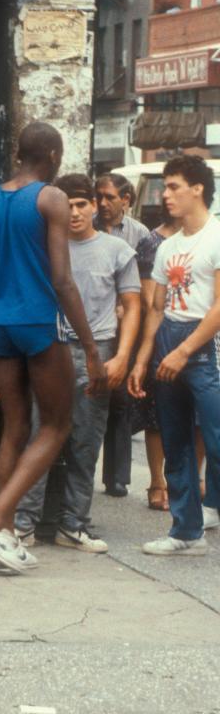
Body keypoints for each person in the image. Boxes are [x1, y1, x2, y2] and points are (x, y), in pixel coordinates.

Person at [0, 121, 105, 574]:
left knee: (15, 428)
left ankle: (4, 540)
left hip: (0, 323)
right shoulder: (51, 197)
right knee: (57, 426)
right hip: (40, 322)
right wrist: (92, 348)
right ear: (54, 155)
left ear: (18, 153)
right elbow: (62, 280)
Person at [13, 174, 141, 553]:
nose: (74, 212)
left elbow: (133, 306)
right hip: (49, 348)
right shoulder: (45, 248)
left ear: (94, 206)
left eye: (82, 204)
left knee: (86, 442)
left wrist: (121, 355)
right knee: (40, 437)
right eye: (67, 205)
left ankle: (73, 524)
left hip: (97, 353)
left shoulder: (117, 250)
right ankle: (23, 524)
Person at [128, 155, 220, 555]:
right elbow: (156, 308)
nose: (165, 195)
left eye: (173, 187)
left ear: (197, 189)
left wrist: (184, 351)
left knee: (216, 438)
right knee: (176, 440)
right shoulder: (167, 247)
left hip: (203, 343)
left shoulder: (215, 237)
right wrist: (142, 359)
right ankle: (186, 530)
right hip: (168, 339)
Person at [95, 173, 151, 498]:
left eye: (110, 197)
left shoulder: (139, 235)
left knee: (119, 402)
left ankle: (117, 477)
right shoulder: (84, 224)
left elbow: (142, 290)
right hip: (90, 322)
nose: (103, 203)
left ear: (126, 200)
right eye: (99, 196)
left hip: (122, 325)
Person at [132, 201, 179, 511]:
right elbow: (150, 301)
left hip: (201, 333)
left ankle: (184, 481)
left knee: (199, 418)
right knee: (157, 413)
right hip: (162, 333)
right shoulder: (153, 242)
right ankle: (157, 482)